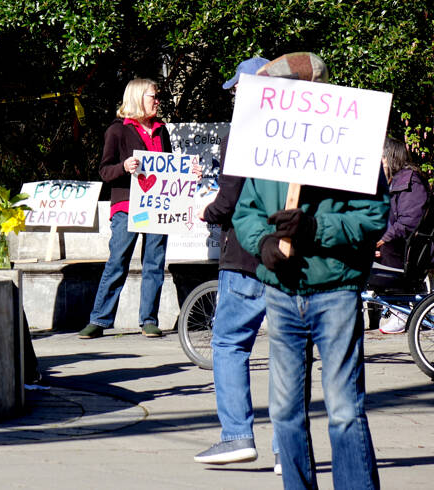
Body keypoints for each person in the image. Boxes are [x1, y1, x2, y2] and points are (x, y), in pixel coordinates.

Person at [232, 53, 385, 489]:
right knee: (283, 411)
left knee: (343, 411)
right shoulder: (265, 145)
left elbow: (373, 217)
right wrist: (262, 243)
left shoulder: (352, 144)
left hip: (335, 291)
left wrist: (316, 227)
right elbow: (245, 212)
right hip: (281, 293)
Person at [193, 57, 281, 474]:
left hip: (245, 257)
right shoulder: (298, 135)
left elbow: (229, 201)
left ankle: (237, 436)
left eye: (235, 91)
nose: (232, 97)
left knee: (229, 344)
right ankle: (288, 449)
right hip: (291, 258)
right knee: (287, 353)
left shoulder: (242, 136)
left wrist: (207, 210)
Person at [78, 78, 169, 339]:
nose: (157, 101)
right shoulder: (117, 131)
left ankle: (149, 319)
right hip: (127, 206)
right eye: (153, 96)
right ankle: (99, 319)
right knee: (118, 261)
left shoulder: (162, 130)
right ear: (138, 97)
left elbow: (170, 168)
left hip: (157, 207)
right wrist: (124, 167)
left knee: (155, 263)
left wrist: (189, 175)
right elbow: (105, 170)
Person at [375, 137, 429, 333]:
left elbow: (408, 223)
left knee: (388, 245)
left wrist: (381, 242)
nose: (379, 162)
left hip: (408, 252)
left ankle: (401, 311)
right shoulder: (392, 182)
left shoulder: (410, 181)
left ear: (392, 156)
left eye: (382, 157)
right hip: (398, 248)